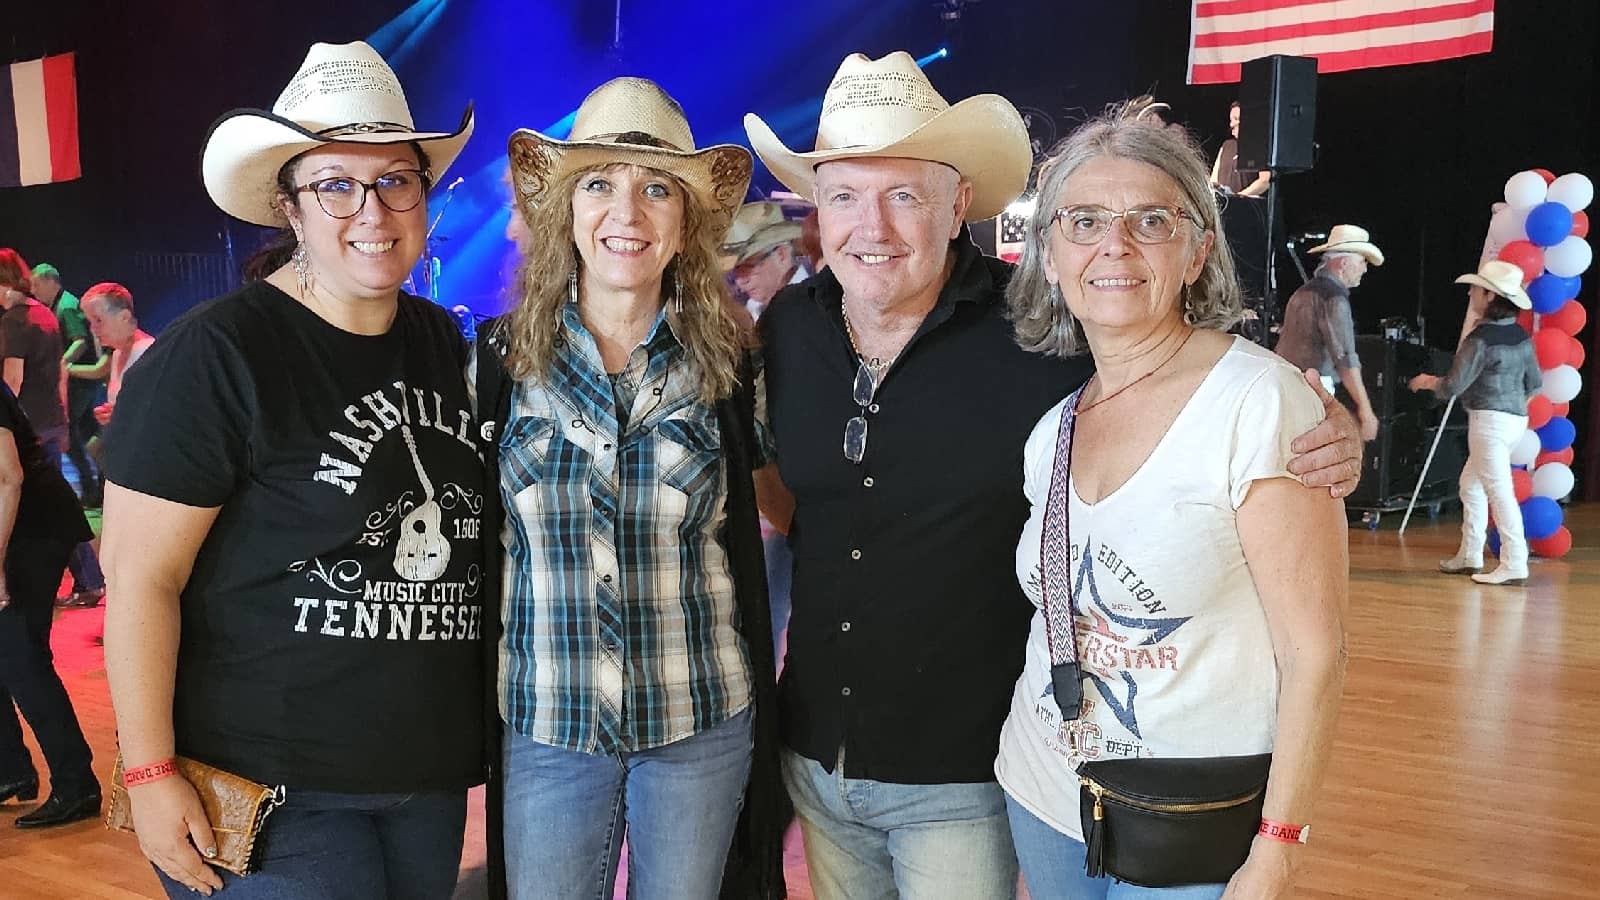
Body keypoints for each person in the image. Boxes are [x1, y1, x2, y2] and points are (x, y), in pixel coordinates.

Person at [744, 52, 1362, 900]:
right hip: (833, 756)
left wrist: (1323, 429)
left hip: (966, 776)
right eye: (846, 194)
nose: (872, 227)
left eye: (903, 196)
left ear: (959, 203)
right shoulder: (787, 329)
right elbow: (778, 490)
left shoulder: (1039, 336)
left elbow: (1182, 371)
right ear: (818, 207)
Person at [100, 41, 481, 899]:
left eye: (395, 180)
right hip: (274, 786)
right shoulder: (217, 355)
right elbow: (139, 580)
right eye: (336, 185)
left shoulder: (435, 340)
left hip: (423, 774)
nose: (371, 210)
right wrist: (150, 774)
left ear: (425, 196)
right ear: (291, 208)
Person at [995, 102, 1349, 900]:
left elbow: (1316, 651)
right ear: (1047, 254)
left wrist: (1279, 847)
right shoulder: (1054, 426)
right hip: (1045, 789)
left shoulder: (1259, 403)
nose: (1113, 245)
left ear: (1196, 252)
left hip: (1193, 817)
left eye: (1151, 220)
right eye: (1082, 221)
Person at [479, 76, 786, 900]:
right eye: (599, 184)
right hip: (550, 726)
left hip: (700, 719)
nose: (629, 210)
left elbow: (789, 511)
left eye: (657, 188)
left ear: (686, 221)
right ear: (565, 212)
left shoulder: (731, 367)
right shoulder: (496, 366)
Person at [1, 381, 100, 829]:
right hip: (26, 527)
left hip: (33, 529)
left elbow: (9, 477)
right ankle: (10, 770)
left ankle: (76, 784)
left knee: (22, 659)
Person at [1409, 260, 1543, 586]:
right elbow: (1535, 384)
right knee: (1471, 485)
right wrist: (1512, 409)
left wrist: (1427, 381)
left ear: (1490, 295)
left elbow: (1453, 385)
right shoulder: (1521, 337)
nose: (1471, 292)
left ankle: (1514, 561)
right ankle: (1471, 554)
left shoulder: (1480, 338)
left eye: (1476, 288)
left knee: (1499, 491)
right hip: (1513, 422)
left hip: (1489, 423)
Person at [0, 251, 105, 607]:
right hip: (47, 422)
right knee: (58, 505)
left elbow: (11, 383)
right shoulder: (43, 313)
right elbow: (59, 373)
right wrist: (61, 423)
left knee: (45, 506)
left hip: (25, 427)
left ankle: (77, 581)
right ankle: (88, 581)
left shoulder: (15, 321)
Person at [1275, 224, 1384, 442]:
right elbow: (1345, 359)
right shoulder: (1334, 299)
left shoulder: (1301, 292)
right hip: (1314, 390)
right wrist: (1366, 411)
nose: (1364, 269)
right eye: (1362, 262)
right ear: (1344, 264)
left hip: (1284, 387)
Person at [32, 263, 104, 508]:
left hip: (79, 382)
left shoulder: (67, 306)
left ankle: (90, 488)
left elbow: (80, 342)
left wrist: (62, 363)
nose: (34, 291)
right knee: (86, 432)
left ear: (52, 281)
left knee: (68, 432)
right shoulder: (57, 306)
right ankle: (98, 482)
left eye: (37, 285)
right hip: (77, 380)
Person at [73, 283, 156, 430]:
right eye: (90, 322)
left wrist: (120, 416)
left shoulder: (148, 352)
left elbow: (160, 412)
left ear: (124, 317)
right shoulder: (117, 352)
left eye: (98, 320)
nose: (93, 329)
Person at [725, 201, 809, 321]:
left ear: (781, 255)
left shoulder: (817, 305)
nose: (740, 281)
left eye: (748, 266)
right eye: (736, 270)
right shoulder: (750, 309)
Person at [1209, 101, 1270, 197]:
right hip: (1223, 205)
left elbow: (1265, 181)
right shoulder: (1226, 145)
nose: (1231, 124)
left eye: (1236, 119)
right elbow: (1214, 179)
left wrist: (1238, 197)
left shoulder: (1259, 145)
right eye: (1230, 120)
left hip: (1245, 207)